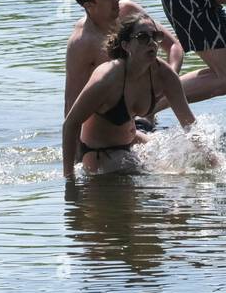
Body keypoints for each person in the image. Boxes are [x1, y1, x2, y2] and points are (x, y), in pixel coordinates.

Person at [62, 14, 211, 177]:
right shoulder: (107, 78)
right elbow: (70, 123)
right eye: (142, 37)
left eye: (156, 36)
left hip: (132, 140)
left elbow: (189, 124)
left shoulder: (164, 74)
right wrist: (69, 179)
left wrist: (213, 160)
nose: (152, 43)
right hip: (99, 152)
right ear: (126, 45)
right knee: (165, 178)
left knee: (184, 157)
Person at [65, 0, 183, 121]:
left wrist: (165, 84)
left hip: (146, 109)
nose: (116, 0)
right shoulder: (81, 43)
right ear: (89, 6)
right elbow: (71, 104)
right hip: (111, 122)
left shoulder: (128, 11)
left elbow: (174, 47)